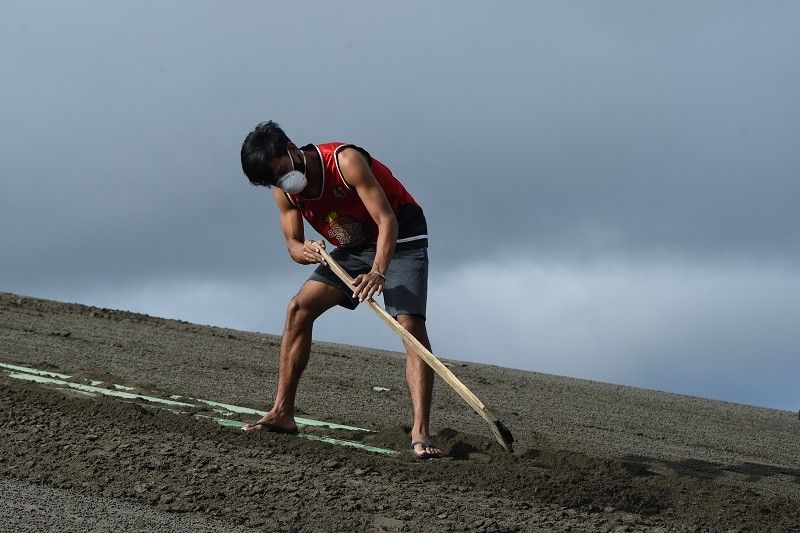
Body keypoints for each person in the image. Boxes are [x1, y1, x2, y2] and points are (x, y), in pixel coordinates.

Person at [239, 121, 440, 458]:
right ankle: (282, 414)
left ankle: (420, 431)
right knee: (298, 308)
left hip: (400, 235)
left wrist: (378, 272)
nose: (282, 181)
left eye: (282, 170)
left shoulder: (345, 161)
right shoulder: (283, 190)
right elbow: (292, 243)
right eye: (273, 180)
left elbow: (386, 220)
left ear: (291, 148)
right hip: (355, 246)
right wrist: (303, 251)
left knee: (409, 324)